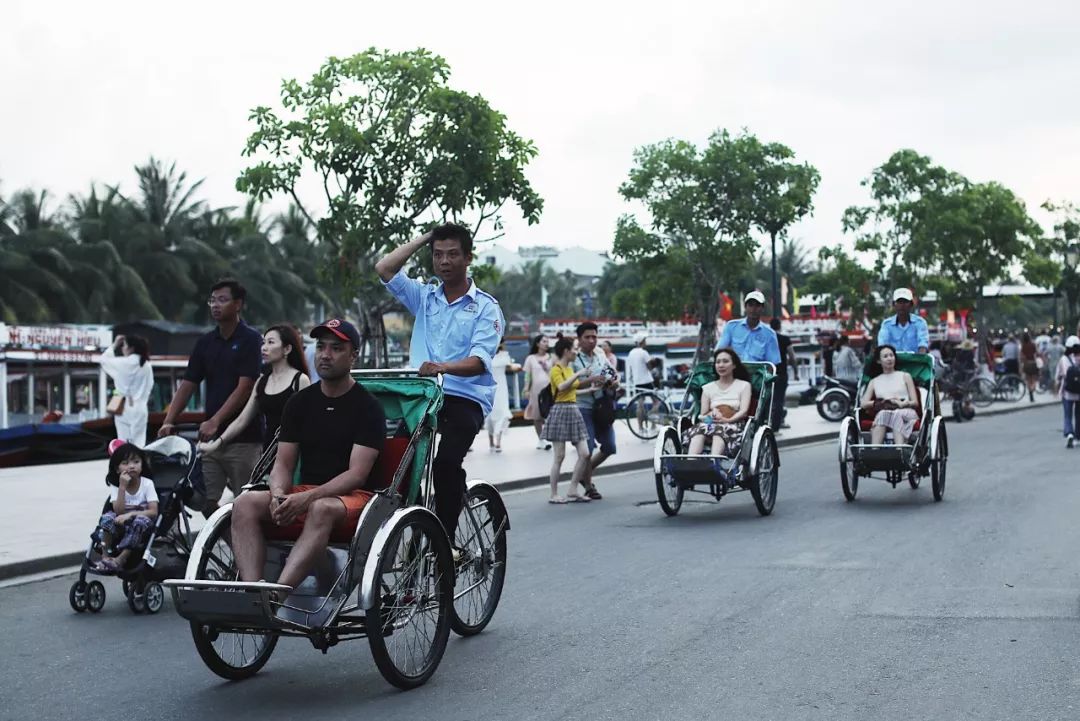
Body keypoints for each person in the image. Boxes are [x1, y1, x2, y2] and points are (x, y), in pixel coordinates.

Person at [231, 319, 385, 589]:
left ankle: (277, 596)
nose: (325, 355)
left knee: (320, 508)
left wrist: (307, 498)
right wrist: (279, 494)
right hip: (306, 491)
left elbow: (357, 475)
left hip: (352, 499)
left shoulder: (368, 407)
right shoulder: (300, 402)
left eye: (336, 348)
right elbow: (283, 463)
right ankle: (254, 590)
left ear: (353, 356)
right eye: (321, 347)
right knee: (244, 503)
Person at [375, 223, 503, 539]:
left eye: (452, 254)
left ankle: (444, 540)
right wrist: (425, 238)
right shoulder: (425, 296)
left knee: (446, 464)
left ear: (468, 258)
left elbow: (478, 362)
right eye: (438, 255)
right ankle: (417, 519)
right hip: (422, 395)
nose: (444, 261)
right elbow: (385, 267)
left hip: (464, 397)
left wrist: (441, 367)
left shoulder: (485, 307)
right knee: (391, 461)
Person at [159, 279, 262, 517]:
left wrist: (215, 420)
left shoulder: (251, 339)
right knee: (207, 502)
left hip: (244, 438)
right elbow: (188, 384)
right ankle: (229, 550)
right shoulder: (205, 342)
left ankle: (250, 551)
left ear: (238, 305)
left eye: (223, 300)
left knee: (247, 504)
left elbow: (245, 387)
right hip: (210, 440)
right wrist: (168, 420)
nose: (216, 305)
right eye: (212, 300)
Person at [197, 325, 311, 457]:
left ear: (287, 349)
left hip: (293, 455)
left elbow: (307, 423)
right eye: (263, 342)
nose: (264, 347)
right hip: (267, 453)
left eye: (271, 342)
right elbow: (242, 420)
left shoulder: (300, 380)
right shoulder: (261, 382)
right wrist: (217, 444)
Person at [571, 321, 619, 500]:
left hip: (601, 405)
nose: (591, 340)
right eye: (587, 337)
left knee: (610, 446)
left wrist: (612, 381)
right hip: (582, 406)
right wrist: (591, 379)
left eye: (594, 337)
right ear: (579, 339)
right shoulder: (573, 358)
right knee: (588, 449)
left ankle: (582, 474)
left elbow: (612, 373)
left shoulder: (600, 354)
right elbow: (567, 384)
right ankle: (589, 486)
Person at [93, 442, 158, 572]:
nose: (132, 466)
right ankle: (105, 557)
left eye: (136, 462)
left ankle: (121, 559)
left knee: (140, 521)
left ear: (142, 465)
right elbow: (118, 511)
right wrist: (122, 487)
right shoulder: (116, 486)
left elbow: (153, 511)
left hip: (141, 523)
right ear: (117, 469)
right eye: (126, 463)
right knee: (107, 518)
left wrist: (131, 514)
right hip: (121, 523)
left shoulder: (147, 484)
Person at [543, 337, 593, 503]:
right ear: (565, 351)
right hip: (560, 410)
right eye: (573, 349)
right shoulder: (556, 369)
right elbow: (562, 387)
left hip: (573, 409)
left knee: (585, 453)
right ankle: (553, 494)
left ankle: (572, 489)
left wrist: (592, 388)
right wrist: (580, 373)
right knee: (559, 456)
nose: (575, 352)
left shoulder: (570, 369)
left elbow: (572, 391)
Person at [687, 348, 753, 459]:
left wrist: (727, 420)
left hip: (735, 424)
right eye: (718, 362)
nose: (721, 365)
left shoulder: (744, 385)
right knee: (699, 431)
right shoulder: (707, 388)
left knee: (719, 431)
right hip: (710, 423)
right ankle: (690, 461)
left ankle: (714, 462)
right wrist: (712, 416)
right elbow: (703, 415)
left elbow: (744, 411)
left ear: (734, 365)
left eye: (725, 361)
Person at [860, 344, 920, 446]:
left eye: (891, 355)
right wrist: (882, 402)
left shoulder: (905, 376)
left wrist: (903, 404)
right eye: (885, 356)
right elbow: (863, 403)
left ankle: (899, 448)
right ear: (879, 361)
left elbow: (915, 402)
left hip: (906, 412)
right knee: (884, 414)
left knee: (894, 414)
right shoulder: (874, 381)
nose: (889, 359)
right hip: (884, 412)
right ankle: (875, 450)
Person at [100, 334, 153, 447]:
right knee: (139, 443)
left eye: (124, 345)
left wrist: (114, 345)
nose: (122, 348)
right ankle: (138, 463)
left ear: (131, 348)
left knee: (123, 442)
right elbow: (150, 386)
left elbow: (104, 360)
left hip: (123, 406)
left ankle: (124, 462)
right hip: (140, 407)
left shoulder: (123, 363)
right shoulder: (147, 365)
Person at [715, 291, 781, 364]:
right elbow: (719, 351)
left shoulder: (769, 334)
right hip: (733, 372)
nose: (753, 309)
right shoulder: (731, 326)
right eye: (750, 305)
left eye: (757, 305)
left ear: (762, 308)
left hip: (757, 374)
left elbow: (772, 364)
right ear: (745, 307)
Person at [484, 341, 520, 453]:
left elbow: (510, 367)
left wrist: (517, 367)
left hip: (501, 387)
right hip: (489, 387)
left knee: (502, 412)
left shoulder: (504, 355)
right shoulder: (486, 354)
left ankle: (498, 442)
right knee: (490, 413)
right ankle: (491, 441)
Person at [522, 335, 554, 450]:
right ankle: (541, 439)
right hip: (535, 391)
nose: (546, 343)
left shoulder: (551, 358)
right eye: (544, 341)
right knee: (537, 416)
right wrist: (526, 389)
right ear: (537, 344)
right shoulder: (530, 358)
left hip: (550, 391)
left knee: (551, 414)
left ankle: (548, 437)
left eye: (547, 342)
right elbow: (527, 375)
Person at [878, 288, 929, 353]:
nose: (902, 305)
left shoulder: (920, 323)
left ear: (911, 304)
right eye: (899, 302)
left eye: (905, 302)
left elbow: (923, 345)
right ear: (894, 304)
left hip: (915, 361)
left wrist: (920, 359)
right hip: (893, 362)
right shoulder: (886, 325)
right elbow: (882, 347)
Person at [769, 318, 798, 429]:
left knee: (768, 400)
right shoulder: (785, 339)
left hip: (768, 373)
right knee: (779, 400)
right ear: (780, 326)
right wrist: (796, 372)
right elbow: (792, 357)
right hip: (781, 373)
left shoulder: (767, 339)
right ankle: (777, 424)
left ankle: (767, 422)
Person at [1055, 336, 1080, 448]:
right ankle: (1078, 436)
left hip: (1067, 392)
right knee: (1078, 415)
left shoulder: (1063, 359)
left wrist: (1056, 389)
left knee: (1068, 415)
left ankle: (1069, 433)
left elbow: (1058, 376)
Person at [1020, 332, 1039, 402]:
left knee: (1028, 380)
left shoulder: (1023, 346)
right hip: (1033, 363)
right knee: (1033, 379)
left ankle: (1030, 393)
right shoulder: (1033, 344)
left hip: (1026, 364)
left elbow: (1021, 356)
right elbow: (1037, 352)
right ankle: (1032, 389)